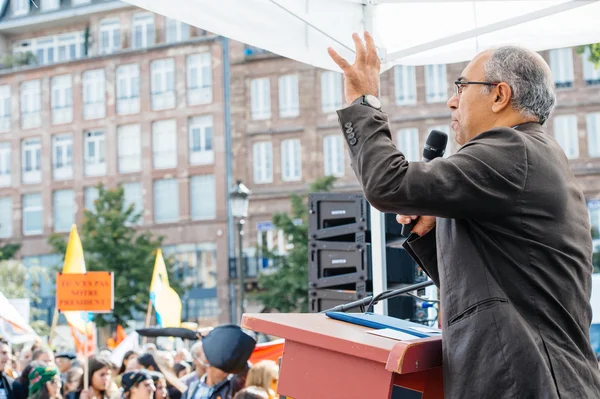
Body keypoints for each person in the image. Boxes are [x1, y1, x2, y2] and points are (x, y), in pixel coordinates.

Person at [327, 32, 600, 398]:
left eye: (462, 86)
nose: (451, 101)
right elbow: (485, 290)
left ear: (500, 95)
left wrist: (364, 101)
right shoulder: (531, 158)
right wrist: (432, 233)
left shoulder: (513, 148)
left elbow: (388, 185)